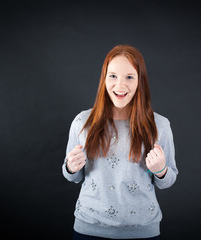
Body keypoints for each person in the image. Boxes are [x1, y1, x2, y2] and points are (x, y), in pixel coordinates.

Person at [62, 44, 178, 240]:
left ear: (140, 81)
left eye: (130, 77)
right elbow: (72, 177)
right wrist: (71, 168)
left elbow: (168, 180)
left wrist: (160, 170)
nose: (120, 85)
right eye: (113, 76)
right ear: (104, 79)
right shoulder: (82, 122)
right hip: (89, 229)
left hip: (142, 232)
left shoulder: (160, 125)